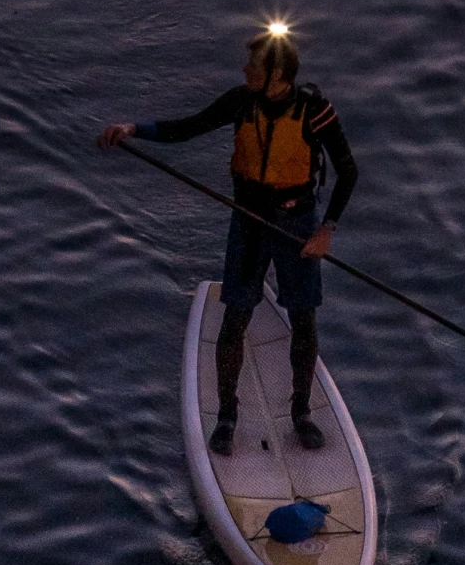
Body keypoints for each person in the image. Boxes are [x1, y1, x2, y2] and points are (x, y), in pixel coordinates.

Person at [99, 27, 357, 455]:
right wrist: (132, 128)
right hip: (249, 220)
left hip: (297, 226)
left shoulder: (316, 111)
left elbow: (348, 170)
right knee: (235, 318)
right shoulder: (241, 101)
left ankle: (301, 413)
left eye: (252, 65)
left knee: (305, 321)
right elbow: (188, 127)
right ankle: (226, 417)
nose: (244, 70)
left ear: (277, 74)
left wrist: (326, 230)